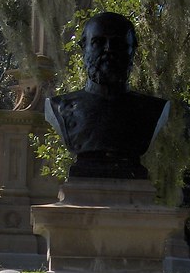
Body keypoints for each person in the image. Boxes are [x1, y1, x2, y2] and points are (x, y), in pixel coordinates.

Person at [45, 12, 169, 179]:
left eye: (118, 43)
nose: (108, 49)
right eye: (98, 42)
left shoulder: (152, 110)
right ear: (84, 48)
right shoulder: (59, 107)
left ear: (132, 50)